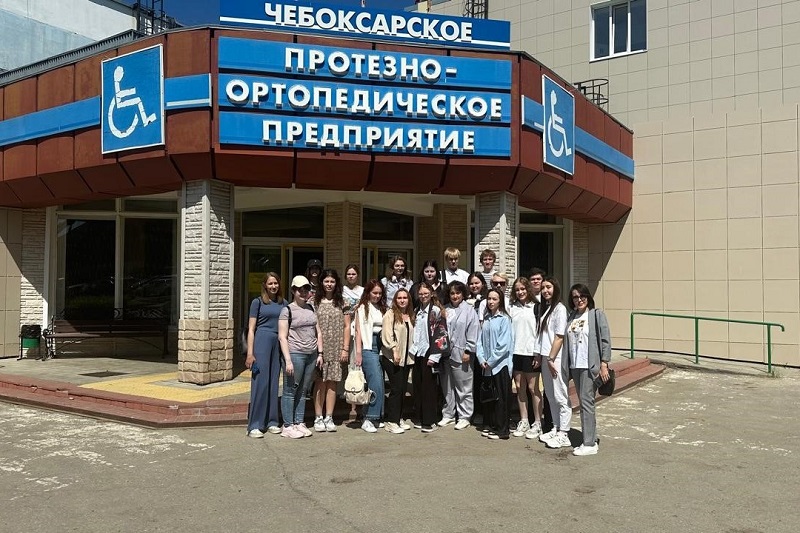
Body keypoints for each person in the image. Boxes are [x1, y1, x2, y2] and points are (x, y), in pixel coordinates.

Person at [564, 283, 612, 456]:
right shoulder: (572, 316)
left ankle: (589, 443)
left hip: (589, 366)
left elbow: (605, 340)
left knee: (586, 403)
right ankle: (589, 439)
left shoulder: (596, 315)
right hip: (575, 366)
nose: (579, 300)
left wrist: (604, 364)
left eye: (582, 296)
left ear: (588, 297)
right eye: (575, 297)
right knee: (584, 403)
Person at [278, 275, 323, 439]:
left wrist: (320, 353)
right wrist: (288, 360)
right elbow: (282, 337)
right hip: (295, 354)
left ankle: (299, 421)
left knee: (303, 390)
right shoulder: (287, 310)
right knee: (290, 390)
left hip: (311, 354)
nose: (303, 292)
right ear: (293, 291)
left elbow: (318, 332)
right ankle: (288, 425)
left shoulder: (311, 308)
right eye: (300, 290)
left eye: (306, 289)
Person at [245, 272, 287, 438]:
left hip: (278, 343)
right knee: (260, 382)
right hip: (262, 341)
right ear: (265, 285)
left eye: (275, 283)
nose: (273, 286)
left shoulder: (284, 303)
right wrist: (250, 353)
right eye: (270, 283)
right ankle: (255, 424)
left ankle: (272, 421)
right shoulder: (257, 302)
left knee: (274, 382)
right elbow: (251, 329)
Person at [311, 269, 350, 433]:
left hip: (336, 348)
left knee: (333, 382)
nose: (329, 284)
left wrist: (345, 348)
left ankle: (329, 416)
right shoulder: (314, 301)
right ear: (321, 283)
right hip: (319, 348)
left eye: (332, 281)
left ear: (336, 283)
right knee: (320, 382)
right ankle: (318, 416)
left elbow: (347, 326)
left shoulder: (343, 302)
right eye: (326, 281)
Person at [536, 277, 572, 449]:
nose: (545, 291)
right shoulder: (548, 309)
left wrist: (551, 358)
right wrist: (541, 356)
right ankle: (556, 427)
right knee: (550, 396)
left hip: (555, 358)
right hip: (546, 357)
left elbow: (559, 336)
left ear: (555, 288)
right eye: (543, 288)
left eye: (548, 287)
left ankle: (564, 433)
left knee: (560, 396)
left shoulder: (560, 309)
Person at [439, 281, 479, 430]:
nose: (455, 296)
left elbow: (474, 330)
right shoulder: (445, 309)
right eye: (452, 293)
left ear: (463, 294)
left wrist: (468, 350)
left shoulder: (469, 310)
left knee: (464, 387)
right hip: (445, 354)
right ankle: (448, 414)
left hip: (462, 353)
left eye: (458, 293)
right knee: (447, 386)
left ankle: (464, 416)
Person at [476, 288, 514, 440]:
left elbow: (503, 345)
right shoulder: (486, 318)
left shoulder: (504, 319)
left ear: (500, 301)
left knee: (501, 399)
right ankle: (491, 425)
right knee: (490, 397)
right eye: (489, 299)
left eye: (495, 299)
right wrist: (481, 358)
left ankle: (502, 429)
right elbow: (479, 341)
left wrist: (491, 361)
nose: (491, 302)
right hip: (486, 366)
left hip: (500, 365)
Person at [507, 277, 543, 438]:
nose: (520, 292)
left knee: (533, 388)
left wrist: (537, 353)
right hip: (516, 352)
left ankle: (538, 422)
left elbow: (540, 332)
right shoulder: (512, 307)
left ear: (528, 289)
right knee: (519, 386)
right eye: (517, 290)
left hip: (531, 353)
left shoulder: (536, 307)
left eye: (522, 289)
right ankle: (524, 420)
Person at [409, 282, 445, 432]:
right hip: (418, 352)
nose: (423, 296)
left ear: (431, 294)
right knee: (418, 386)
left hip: (430, 353)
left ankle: (430, 421)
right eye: (421, 294)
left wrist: (435, 355)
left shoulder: (435, 310)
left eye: (426, 293)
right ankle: (420, 416)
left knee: (429, 388)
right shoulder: (417, 310)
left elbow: (441, 333)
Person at [380, 288, 415, 434]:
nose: (402, 300)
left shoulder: (411, 315)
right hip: (392, 358)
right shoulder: (390, 314)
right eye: (399, 298)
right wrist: (394, 350)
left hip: (406, 358)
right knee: (396, 389)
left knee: (402, 389)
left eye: (405, 298)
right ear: (395, 300)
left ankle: (399, 418)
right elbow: (387, 334)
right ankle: (391, 421)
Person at [354, 279, 387, 433]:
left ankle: (376, 416)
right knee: (375, 383)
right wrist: (358, 352)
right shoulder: (362, 308)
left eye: (380, 293)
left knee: (380, 383)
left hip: (382, 346)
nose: (377, 296)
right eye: (374, 293)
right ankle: (368, 418)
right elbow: (358, 331)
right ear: (368, 292)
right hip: (369, 346)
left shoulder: (382, 308)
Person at [342, 264, 364, 420]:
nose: (351, 276)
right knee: (343, 366)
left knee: (354, 366)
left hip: (357, 330)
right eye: (349, 274)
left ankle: (354, 404)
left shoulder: (363, 291)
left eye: (353, 274)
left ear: (358, 275)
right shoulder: (341, 291)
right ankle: (342, 395)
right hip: (343, 331)